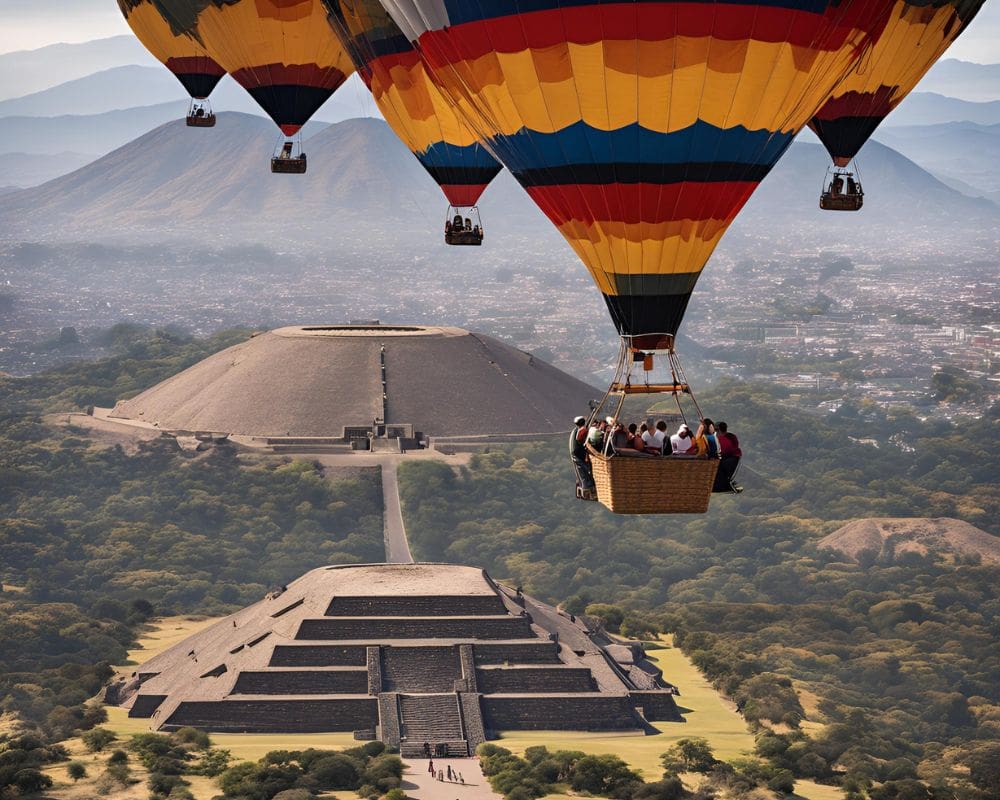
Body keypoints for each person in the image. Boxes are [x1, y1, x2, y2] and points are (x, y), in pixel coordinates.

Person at [570, 415, 596, 498]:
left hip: (577, 454)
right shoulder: (583, 431)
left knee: (583, 472)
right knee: (585, 472)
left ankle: (586, 488)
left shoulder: (578, 431)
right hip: (579, 455)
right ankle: (587, 488)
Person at [715, 420, 744, 492]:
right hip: (734, 460)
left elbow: (722, 451)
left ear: (718, 430)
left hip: (728, 461)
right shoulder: (732, 436)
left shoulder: (721, 439)